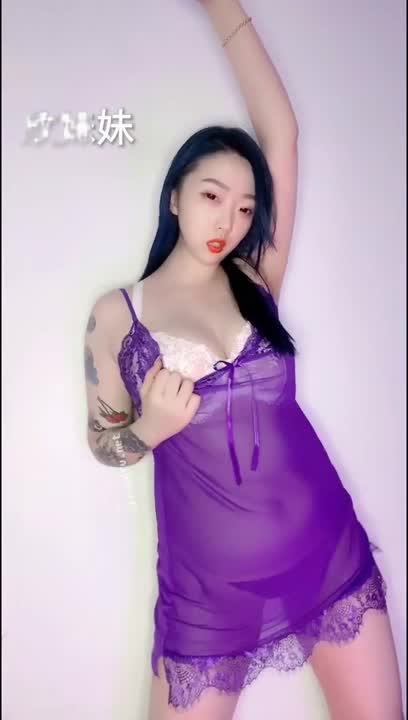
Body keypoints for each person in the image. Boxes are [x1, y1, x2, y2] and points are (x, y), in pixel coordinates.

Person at [83, 2, 404, 719]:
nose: (228, 220)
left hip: (327, 556)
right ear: (174, 197)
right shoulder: (116, 317)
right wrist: (149, 430)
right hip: (206, 598)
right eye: (211, 196)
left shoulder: (257, 282)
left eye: (245, 207)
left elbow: (281, 131)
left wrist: (221, 5)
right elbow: (102, 442)